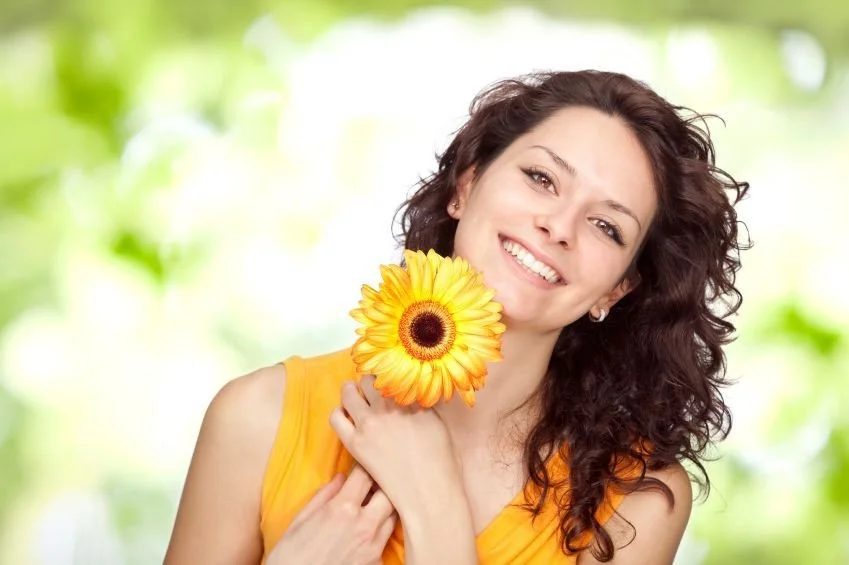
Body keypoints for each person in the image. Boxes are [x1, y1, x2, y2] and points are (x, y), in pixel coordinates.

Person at [164, 70, 749, 564]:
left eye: (607, 226)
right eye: (541, 178)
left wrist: (437, 509)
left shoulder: (636, 502)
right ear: (466, 186)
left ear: (616, 289)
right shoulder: (257, 419)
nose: (559, 226)